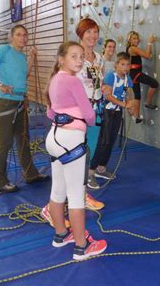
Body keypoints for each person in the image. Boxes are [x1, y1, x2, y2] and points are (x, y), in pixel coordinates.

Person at [45, 41, 107, 260]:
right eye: (74, 56)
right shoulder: (72, 82)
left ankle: (61, 234)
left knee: (58, 190)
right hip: (70, 139)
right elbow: (90, 117)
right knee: (76, 195)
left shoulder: (54, 79)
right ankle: (82, 247)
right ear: (61, 59)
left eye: (81, 56)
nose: (79, 60)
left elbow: (50, 113)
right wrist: (86, 112)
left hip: (54, 137)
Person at [0, 25, 49, 193]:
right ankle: (0, 181)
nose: (23, 38)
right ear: (11, 37)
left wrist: (31, 58)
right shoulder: (4, 49)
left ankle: (31, 174)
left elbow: (24, 75)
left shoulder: (21, 56)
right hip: (5, 103)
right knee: (5, 142)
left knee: (23, 139)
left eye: (25, 35)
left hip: (19, 102)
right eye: (18, 35)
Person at [87, 52, 134, 189]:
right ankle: (91, 171)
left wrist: (130, 105)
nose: (125, 67)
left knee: (111, 140)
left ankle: (101, 168)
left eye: (128, 64)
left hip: (117, 113)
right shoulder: (110, 76)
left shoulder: (127, 78)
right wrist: (124, 104)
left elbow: (129, 93)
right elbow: (108, 96)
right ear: (116, 65)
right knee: (103, 140)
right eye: (122, 64)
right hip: (108, 111)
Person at [126, 31, 159, 123]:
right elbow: (147, 56)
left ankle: (136, 117)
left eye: (137, 38)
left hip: (132, 75)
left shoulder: (130, 49)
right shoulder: (133, 48)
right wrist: (150, 43)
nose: (136, 40)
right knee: (154, 83)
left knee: (137, 95)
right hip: (136, 74)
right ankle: (147, 103)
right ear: (130, 40)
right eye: (134, 38)